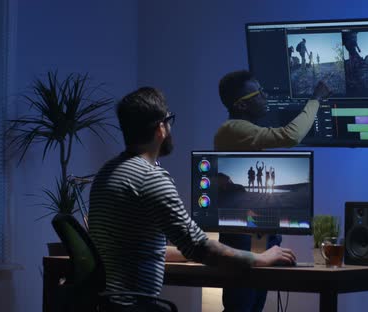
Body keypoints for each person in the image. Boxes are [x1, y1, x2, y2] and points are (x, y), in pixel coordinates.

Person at [88, 87, 296, 310]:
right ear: (161, 128)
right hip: (135, 306)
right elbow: (201, 247)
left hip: (106, 304)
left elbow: (133, 247)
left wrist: (189, 250)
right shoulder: (150, 177)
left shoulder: (107, 173)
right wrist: (262, 259)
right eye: (170, 120)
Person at [214, 70, 330, 312]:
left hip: (259, 232)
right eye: (259, 93)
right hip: (242, 235)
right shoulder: (233, 129)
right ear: (242, 104)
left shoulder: (245, 130)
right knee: (241, 307)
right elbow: (291, 136)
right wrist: (315, 99)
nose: (266, 96)